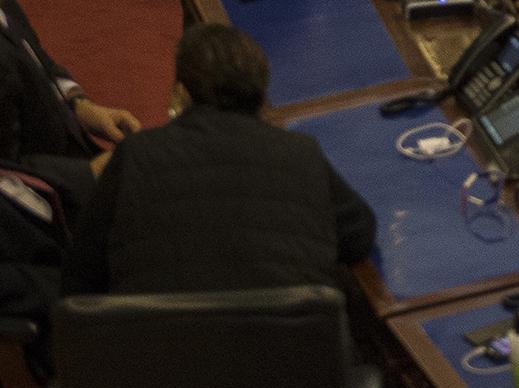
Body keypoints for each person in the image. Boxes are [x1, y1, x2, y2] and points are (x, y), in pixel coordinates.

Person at [63, 24, 376, 297]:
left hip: (158, 357)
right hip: (287, 359)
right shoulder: (300, 153)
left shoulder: (135, 156)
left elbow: (83, 272)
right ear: (262, 95)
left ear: (182, 93)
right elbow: (358, 234)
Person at [0, 0, 140, 212]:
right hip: (47, 205)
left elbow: (39, 60)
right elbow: (8, 175)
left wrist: (81, 106)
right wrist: (88, 174)